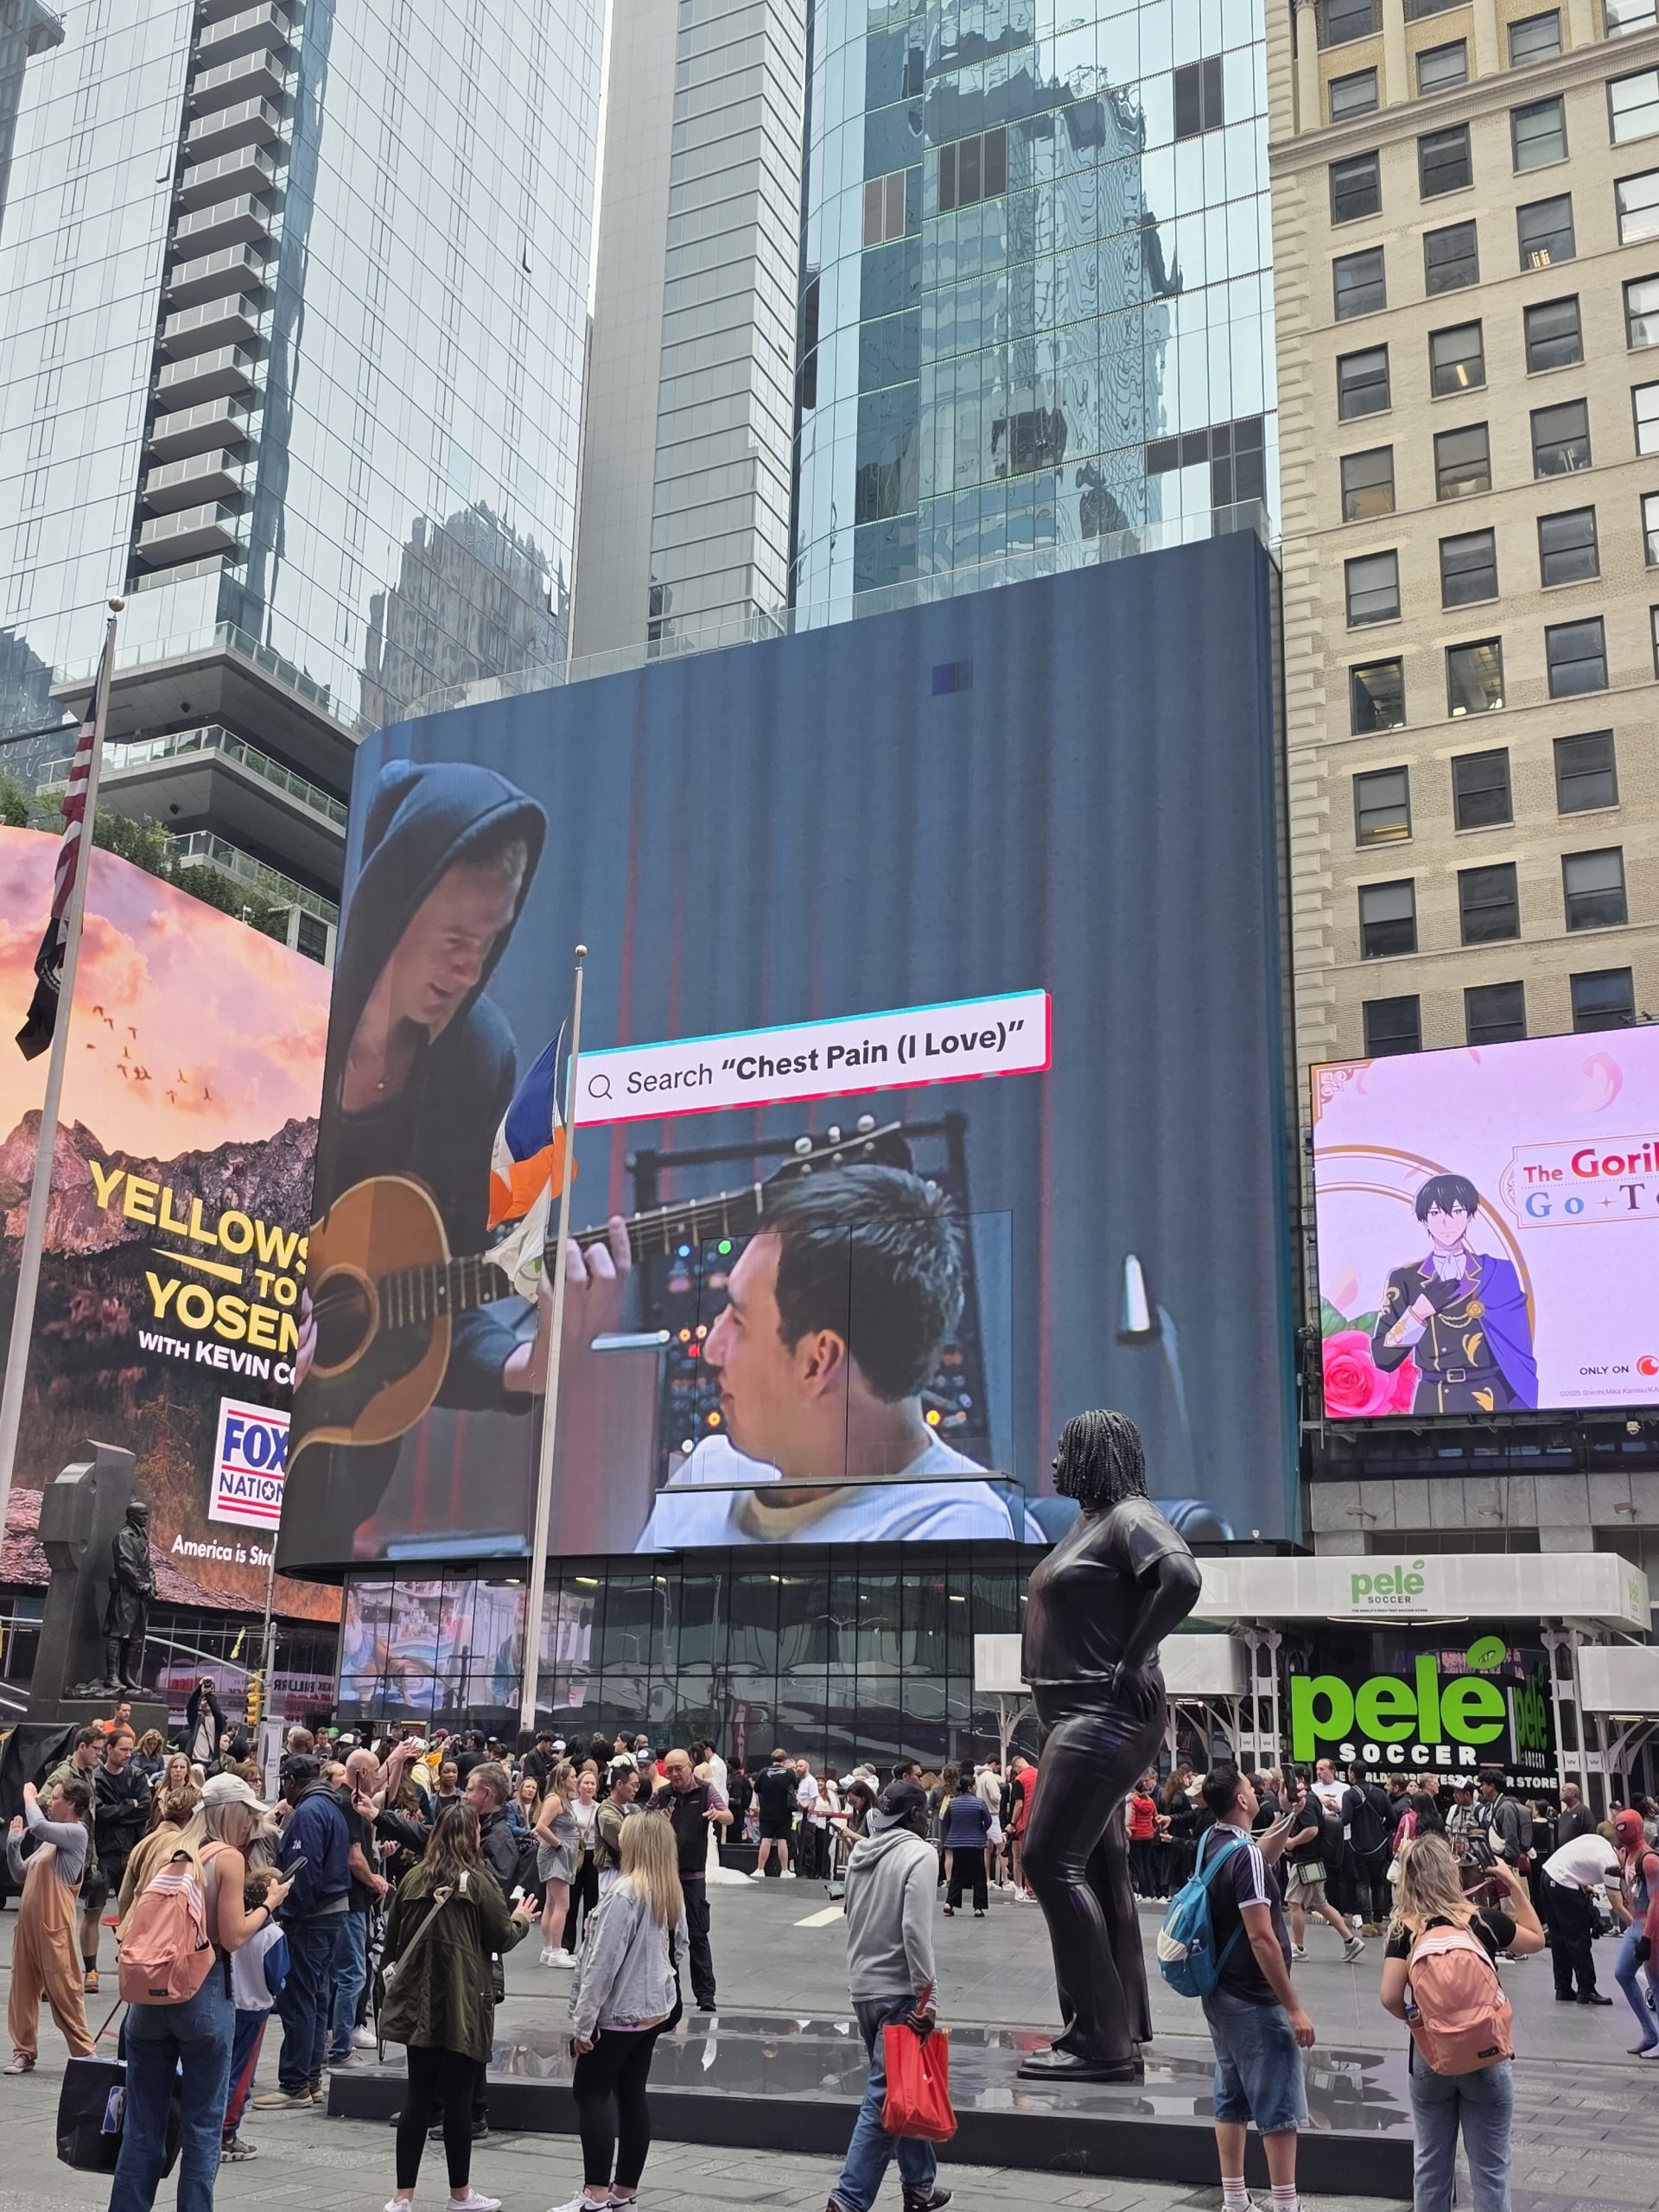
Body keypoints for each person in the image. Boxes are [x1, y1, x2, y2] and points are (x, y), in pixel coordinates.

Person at [285, 758, 631, 1560]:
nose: (471, 969)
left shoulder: (478, 1060)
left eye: (491, 940)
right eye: (453, 940)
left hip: (332, 1483)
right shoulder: (289, 1024)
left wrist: (528, 1364)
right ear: (392, 912)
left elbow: (439, 1289)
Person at [638, 1166, 1041, 1547]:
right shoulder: (706, 1478)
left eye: (739, 1321)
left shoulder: (964, 1535)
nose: (712, 1347)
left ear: (818, 1362)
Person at [1017, 1409, 1207, 2082]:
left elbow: (1182, 1577)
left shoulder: (1130, 1516)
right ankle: (1113, 2027)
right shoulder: (1092, 1523)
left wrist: (1134, 1656)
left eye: (1065, 1452)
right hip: (1074, 1714)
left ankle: (1100, 2039)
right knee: (1098, 1868)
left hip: (1100, 1712)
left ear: (1095, 1455)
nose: (1054, 1465)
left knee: (1047, 1861)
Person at [108, 1773, 293, 2212]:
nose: (250, 1825)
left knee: (141, 2127)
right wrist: (270, 1903)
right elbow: (232, 1936)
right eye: (247, 1816)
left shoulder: (165, 1849)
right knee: (203, 2126)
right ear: (232, 1814)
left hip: (149, 1996)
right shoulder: (227, 1858)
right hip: (203, 1992)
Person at [380, 1802, 538, 2212]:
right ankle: (460, 2195)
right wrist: (522, 1919)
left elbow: (393, 1943)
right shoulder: (480, 1882)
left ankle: (402, 2197)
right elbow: (501, 1937)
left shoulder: (413, 1878)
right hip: (465, 2001)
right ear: (472, 1837)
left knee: (417, 2097)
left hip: (419, 2002)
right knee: (459, 2100)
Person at [1379, 1831, 1545, 2212]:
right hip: (1487, 2053)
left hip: (1431, 2057)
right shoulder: (1481, 1920)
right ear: (1449, 1872)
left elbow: (1389, 1996)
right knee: (1491, 2169)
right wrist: (1513, 1886)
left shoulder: (1405, 1928)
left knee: (1431, 2166)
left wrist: (1417, 2021)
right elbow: (1536, 1940)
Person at [554, 1809, 689, 2212]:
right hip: (652, 2011)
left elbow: (602, 1963)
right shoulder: (668, 1889)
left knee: (590, 2094)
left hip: (619, 2012)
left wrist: (583, 2024)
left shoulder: (625, 1893)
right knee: (632, 2095)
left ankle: (595, 2193)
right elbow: (680, 1947)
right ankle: (624, 2190)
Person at [826, 1778, 949, 2212]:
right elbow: (915, 1930)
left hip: (864, 1988)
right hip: (900, 1993)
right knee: (883, 2100)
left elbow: (851, 1915)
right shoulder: (921, 1854)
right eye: (926, 1812)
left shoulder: (860, 1852)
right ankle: (847, 2200)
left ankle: (920, 2185)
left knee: (902, 2088)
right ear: (914, 1815)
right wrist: (928, 1996)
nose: (929, 1818)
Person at [1193, 1769, 1314, 2212]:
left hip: (1221, 1989)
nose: (1255, 1789)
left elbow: (1261, 1857)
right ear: (1243, 1801)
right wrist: (1293, 2007)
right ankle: (1286, 2204)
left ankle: (1234, 2200)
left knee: (1231, 2095)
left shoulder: (1214, 1841)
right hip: (1254, 1996)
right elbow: (1262, 1938)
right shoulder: (1242, 1854)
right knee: (1279, 2104)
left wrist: (1288, 1816)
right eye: (1249, 1785)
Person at [1370, 1173, 1539, 1413]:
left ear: (1469, 1216)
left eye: (1456, 1212)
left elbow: (1518, 1349)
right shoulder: (1405, 1278)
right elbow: (1382, 1357)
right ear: (1424, 1220)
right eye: (1435, 1213)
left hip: (1491, 1394)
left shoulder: (1497, 1272)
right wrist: (1418, 1314)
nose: (1446, 1222)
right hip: (1432, 1396)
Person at [255, 1754, 353, 2110]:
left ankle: (296, 2082)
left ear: (292, 1781)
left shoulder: (309, 1812)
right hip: (332, 1912)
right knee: (316, 1997)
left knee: (299, 1999)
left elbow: (302, 1871)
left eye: (285, 1781)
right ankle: (310, 2079)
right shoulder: (331, 1806)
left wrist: (287, 1912)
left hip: (312, 1916)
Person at [5, 1776, 96, 2071]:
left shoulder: (77, 1832)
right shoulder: (48, 1843)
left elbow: (39, 1825)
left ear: (71, 1804)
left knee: (64, 1989)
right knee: (22, 1989)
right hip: (29, 1928)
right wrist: (13, 1846)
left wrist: (28, 1797)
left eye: (55, 1798)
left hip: (53, 1927)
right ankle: (24, 2051)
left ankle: (84, 2051)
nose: (48, 1802)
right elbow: (21, 1874)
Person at [647, 1747, 730, 2011]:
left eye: (678, 1769)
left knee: (697, 1932)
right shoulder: (662, 1794)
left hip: (694, 1875)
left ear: (690, 1766)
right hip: (666, 1875)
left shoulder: (705, 1791)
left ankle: (706, 1994)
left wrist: (717, 1815)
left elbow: (727, 1815)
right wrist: (657, 1820)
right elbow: (643, 1823)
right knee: (667, 1935)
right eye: (669, 1770)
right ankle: (671, 1993)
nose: (674, 1774)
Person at [222, 1864, 289, 2162]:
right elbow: (278, 1977)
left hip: (229, 2003)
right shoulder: (273, 1934)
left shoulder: (234, 1924)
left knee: (222, 2069)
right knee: (242, 2074)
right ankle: (227, 2133)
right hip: (255, 2008)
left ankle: (210, 2126)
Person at [329, 1747, 390, 2068]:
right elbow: (354, 1858)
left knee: (337, 1974)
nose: (378, 1777)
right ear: (362, 1773)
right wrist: (374, 1880)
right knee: (352, 1974)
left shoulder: (341, 1801)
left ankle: (331, 2039)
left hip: (343, 1899)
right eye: (375, 1771)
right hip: (351, 1901)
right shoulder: (349, 1804)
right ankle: (341, 2046)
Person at [1282, 1774, 1366, 1963]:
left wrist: (1292, 1842)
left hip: (1305, 1861)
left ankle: (1298, 1947)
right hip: (1313, 1861)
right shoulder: (1312, 1799)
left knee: (1295, 1903)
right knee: (1321, 1904)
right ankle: (1350, 1940)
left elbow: (1312, 1829)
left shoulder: (1306, 1803)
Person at [90, 1730, 151, 1985]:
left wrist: (117, 1812)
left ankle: (130, 1965)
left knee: (133, 1914)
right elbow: (98, 1814)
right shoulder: (95, 1778)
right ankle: (90, 1970)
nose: (128, 1754)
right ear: (108, 1749)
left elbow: (145, 1810)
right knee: (93, 1912)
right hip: (103, 1853)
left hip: (131, 1852)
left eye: (130, 1750)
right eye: (123, 1749)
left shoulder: (137, 1776)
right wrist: (128, 1806)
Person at [1538, 1821, 1622, 2004]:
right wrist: (1637, 1926)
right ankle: (1586, 1989)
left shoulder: (1596, 1841)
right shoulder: (1610, 1860)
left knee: (1559, 1937)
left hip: (1547, 1875)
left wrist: (1583, 1885)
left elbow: (1575, 1862)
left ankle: (1563, 1987)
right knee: (1579, 1938)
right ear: (1621, 1849)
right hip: (1562, 1882)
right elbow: (1617, 1905)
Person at [1611, 1808, 1659, 2056]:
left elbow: (1657, 1901)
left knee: (1656, 1984)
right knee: (1622, 1973)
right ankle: (1650, 2033)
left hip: (1651, 1928)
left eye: (1622, 1827)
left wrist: (1648, 1938)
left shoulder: (1649, 1859)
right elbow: (1636, 1881)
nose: (1618, 1832)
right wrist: (1620, 1871)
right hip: (1637, 1926)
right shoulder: (1630, 1854)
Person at [535, 1762, 581, 1967]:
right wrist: (558, 1844)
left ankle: (549, 1948)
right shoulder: (555, 1800)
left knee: (552, 1903)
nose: (575, 1780)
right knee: (562, 1904)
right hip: (556, 1855)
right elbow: (540, 1826)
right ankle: (555, 1950)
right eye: (573, 1777)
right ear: (562, 1780)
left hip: (560, 1854)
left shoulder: (561, 1799)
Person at [1346, 1762, 1393, 1936]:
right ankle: (1378, 1921)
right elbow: (1392, 1818)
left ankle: (1366, 1923)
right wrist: (1380, 1829)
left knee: (1362, 1884)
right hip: (1379, 1846)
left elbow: (1346, 1819)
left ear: (1353, 1774)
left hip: (1358, 1846)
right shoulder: (1380, 1793)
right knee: (1378, 1883)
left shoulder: (1350, 1794)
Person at [940, 1782, 991, 1916]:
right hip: (976, 1843)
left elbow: (946, 1821)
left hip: (958, 1843)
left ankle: (950, 1903)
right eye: (975, 1786)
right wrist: (980, 1830)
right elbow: (988, 1821)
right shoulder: (980, 1803)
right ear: (969, 1788)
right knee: (979, 1876)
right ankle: (978, 1908)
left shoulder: (953, 1803)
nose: (976, 1788)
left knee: (957, 1874)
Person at [751, 1749, 798, 1879]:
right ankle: (784, 1870)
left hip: (766, 1812)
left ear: (772, 1759)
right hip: (784, 1813)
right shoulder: (789, 1772)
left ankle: (760, 1869)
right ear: (784, 1760)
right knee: (782, 1840)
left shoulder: (763, 1772)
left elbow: (757, 1789)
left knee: (765, 1840)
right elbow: (795, 1786)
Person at [569, 1768, 602, 1948]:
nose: (589, 1786)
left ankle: (586, 1942)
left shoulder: (600, 1808)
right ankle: (567, 1944)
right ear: (579, 1785)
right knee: (571, 1900)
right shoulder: (570, 1806)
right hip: (575, 1854)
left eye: (592, 1783)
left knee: (591, 1901)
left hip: (593, 1855)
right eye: (586, 1783)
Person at [596, 1765, 640, 1895]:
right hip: (612, 1871)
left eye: (638, 1786)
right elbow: (626, 1842)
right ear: (620, 1784)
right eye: (633, 1785)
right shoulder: (606, 1813)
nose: (636, 1790)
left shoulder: (634, 1809)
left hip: (632, 1870)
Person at [1128, 1776, 1160, 1900]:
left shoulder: (1133, 1801)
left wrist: (1130, 1832)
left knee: (1138, 1865)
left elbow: (1131, 1819)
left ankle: (1143, 1892)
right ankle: (1151, 1892)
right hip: (1148, 1836)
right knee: (1147, 1864)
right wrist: (1153, 1829)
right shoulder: (1150, 1801)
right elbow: (1155, 1818)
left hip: (1136, 1837)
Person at [185, 1677, 227, 1770]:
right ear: (200, 1705)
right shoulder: (196, 1720)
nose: (207, 1702)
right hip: (193, 1762)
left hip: (211, 1764)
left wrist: (208, 1694)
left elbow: (217, 1712)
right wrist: (200, 1687)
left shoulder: (219, 1721)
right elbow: (191, 1706)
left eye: (209, 1701)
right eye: (204, 1700)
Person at [795, 1758, 824, 1880]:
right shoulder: (802, 1781)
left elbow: (813, 1799)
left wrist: (808, 1815)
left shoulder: (811, 1781)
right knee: (801, 1844)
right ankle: (802, 1869)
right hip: (800, 1817)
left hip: (808, 1818)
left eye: (800, 1766)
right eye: (797, 1766)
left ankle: (809, 1871)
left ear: (807, 1767)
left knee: (808, 1845)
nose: (798, 1768)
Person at [1555, 1782, 1597, 1847]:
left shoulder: (1583, 1811)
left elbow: (1591, 1835)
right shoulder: (1564, 1813)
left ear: (1572, 1794)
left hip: (1578, 1851)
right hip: (1565, 1851)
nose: (1560, 1793)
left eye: (1563, 1791)